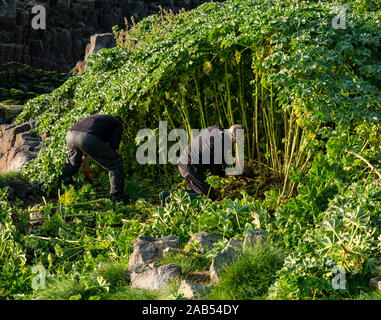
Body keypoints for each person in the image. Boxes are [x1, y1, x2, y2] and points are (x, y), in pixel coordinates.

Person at [160, 124, 244, 205]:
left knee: (204, 190)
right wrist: (229, 173)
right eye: (239, 140)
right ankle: (171, 199)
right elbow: (215, 171)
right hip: (190, 168)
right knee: (208, 198)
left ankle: (167, 194)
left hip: (185, 162)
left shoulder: (216, 129)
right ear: (235, 138)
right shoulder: (219, 147)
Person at [61, 114, 129, 203]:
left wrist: (86, 168)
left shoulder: (100, 121)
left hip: (70, 135)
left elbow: (85, 152)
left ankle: (64, 187)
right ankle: (117, 197)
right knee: (115, 164)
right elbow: (114, 149)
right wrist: (119, 161)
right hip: (87, 138)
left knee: (72, 163)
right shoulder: (118, 123)